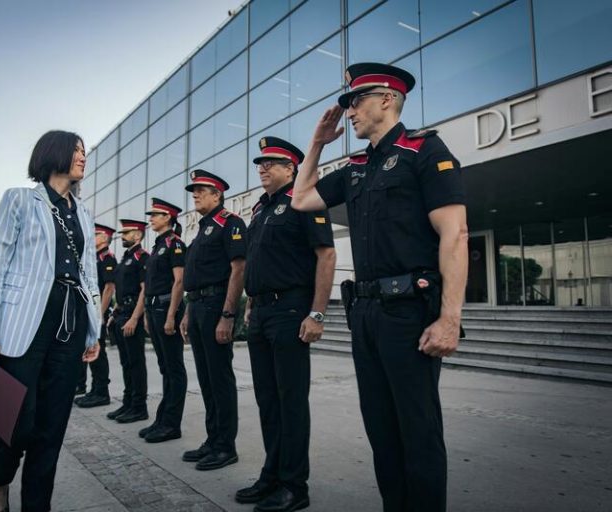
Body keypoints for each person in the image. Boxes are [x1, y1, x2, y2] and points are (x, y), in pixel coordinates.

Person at [291, 63, 468, 511]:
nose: (349, 111)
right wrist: (316, 143)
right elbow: (301, 198)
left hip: (408, 312)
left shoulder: (423, 151)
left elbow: (455, 235)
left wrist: (450, 319)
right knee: (382, 431)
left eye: (356, 101)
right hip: (366, 313)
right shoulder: (356, 167)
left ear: (387, 99)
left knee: (417, 430)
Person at [0, 130, 101, 512]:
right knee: (16, 420)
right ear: (54, 153)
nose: (83, 157)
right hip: (23, 324)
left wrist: (94, 330)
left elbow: (90, 276)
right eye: (76, 150)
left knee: (52, 427)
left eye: (84, 151)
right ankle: (0, 483)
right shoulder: (19, 200)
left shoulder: (84, 213)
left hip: (70, 324)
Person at [238, 137, 336, 511]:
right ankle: (272, 476)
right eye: (260, 163)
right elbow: (257, 262)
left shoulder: (304, 200)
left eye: (271, 162)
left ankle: (294, 486)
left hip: (291, 311)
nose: (262, 168)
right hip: (262, 313)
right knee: (267, 400)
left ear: (291, 168)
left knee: (290, 400)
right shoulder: (261, 209)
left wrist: (317, 313)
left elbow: (326, 255)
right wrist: (250, 306)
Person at [180, 170, 246, 471]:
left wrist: (228, 315)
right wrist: (186, 312)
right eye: (193, 190)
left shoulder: (230, 223)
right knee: (206, 379)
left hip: (215, 306)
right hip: (197, 306)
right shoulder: (203, 228)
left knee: (220, 379)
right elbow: (193, 279)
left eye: (201, 190)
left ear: (217, 195)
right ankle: (213, 439)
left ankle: (225, 446)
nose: (195, 195)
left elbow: (238, 269)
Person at [139, 198, 188, 443]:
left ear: (168, 217)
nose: (151, 219)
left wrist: (170, 316)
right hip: (154, 309)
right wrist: (147, 315)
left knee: (174, 368)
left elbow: (179, 281)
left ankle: (171, 424)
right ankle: (162, 419)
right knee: (165, 367)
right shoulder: (159, 244)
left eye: (155, 215)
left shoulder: (175, 244)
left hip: (166, 310)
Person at [106, 219, 149, 424]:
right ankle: (128, 402)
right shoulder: (126, 258)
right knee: (126, 363)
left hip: (132, 315)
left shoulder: (142, 257)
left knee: (136, 363)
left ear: (138, 235)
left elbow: (144, 290)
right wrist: (115, 312)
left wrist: (134, 318)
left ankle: (139, 407)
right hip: (122, 313)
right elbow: (121, 290)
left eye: (127, 233)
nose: (122, 236)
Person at [75, 223, 117, 407]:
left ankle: (102, 392)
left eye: (96, 234)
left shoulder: (108, 258)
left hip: (97, 313)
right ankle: (94, 390)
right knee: (90, 351)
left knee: (98, 353)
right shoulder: (95, 259)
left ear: (105, 238)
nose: (92, 237)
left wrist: (99, 314)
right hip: (89, 311)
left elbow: (109, 288)